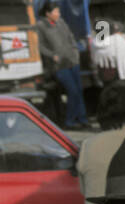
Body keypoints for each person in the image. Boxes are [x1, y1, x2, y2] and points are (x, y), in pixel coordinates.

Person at [36, 2, 87, 130]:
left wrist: (75, 51)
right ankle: (69, 121)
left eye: (58, 11)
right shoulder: (41, 26)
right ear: (48, 13)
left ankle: (82, 118)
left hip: (71, 60)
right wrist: (52, 55)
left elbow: (70, 37)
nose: (58, 14)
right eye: (56, 12)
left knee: (79, 91)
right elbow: (40, 45)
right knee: (72, 91)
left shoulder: (61, 22)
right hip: (59, 65)